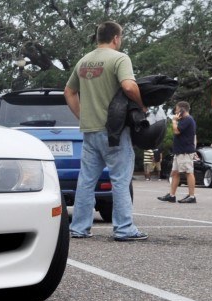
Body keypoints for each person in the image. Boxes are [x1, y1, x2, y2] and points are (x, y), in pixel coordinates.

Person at [64, 21, 148, 241]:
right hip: (115, 130)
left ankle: (79, 228)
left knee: (86, 181)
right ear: (116, 38)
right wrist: (141, 106)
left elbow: (69, 92)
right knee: (120, 179)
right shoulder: (120, 58)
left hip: (90, 131)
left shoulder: (84, 61)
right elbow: (129, 86)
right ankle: (124, 229)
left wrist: (83, 116)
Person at [158, 101, 197, 204]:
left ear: (182, 110)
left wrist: (174, 121)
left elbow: (176, 131)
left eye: (176, 109)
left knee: (188, 172)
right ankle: (172, 195)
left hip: (185, 151)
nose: (175, 111)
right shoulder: (185, 120)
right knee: (175, 173)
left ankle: (192, 196)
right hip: (179, 151)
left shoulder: (188, 119)